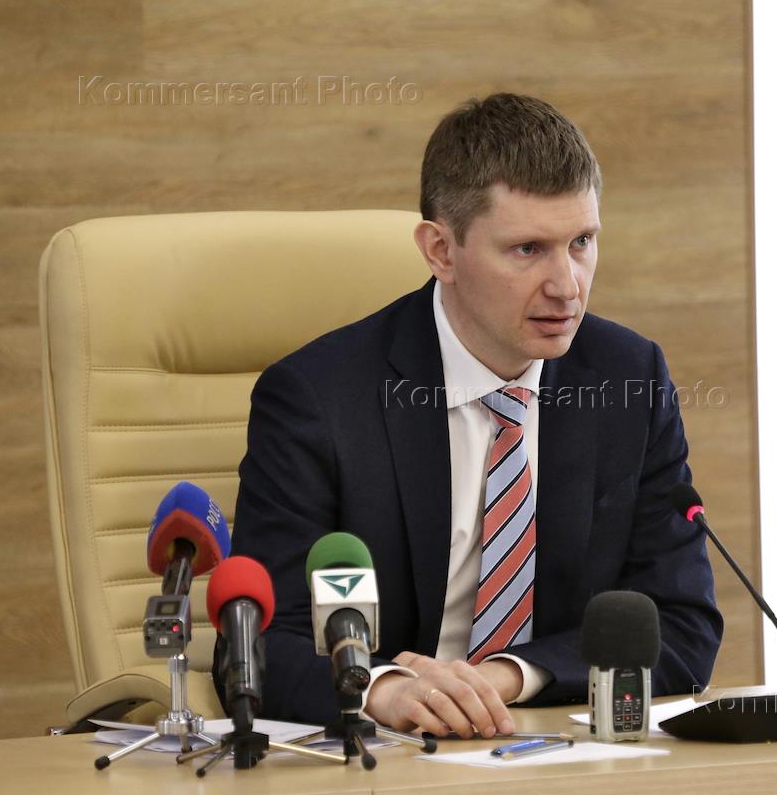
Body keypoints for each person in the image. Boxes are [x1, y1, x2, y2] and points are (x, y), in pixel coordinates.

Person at [227, 93, 723, 738]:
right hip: (392, 757)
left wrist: (505, 678)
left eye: (581, 242)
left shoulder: (628, 378)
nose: (567, 285)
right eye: (527, 249)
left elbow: (681, 624)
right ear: (440, 250)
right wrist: (386, 690)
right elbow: (260, 641)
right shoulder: (319, 398)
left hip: (554, 742)